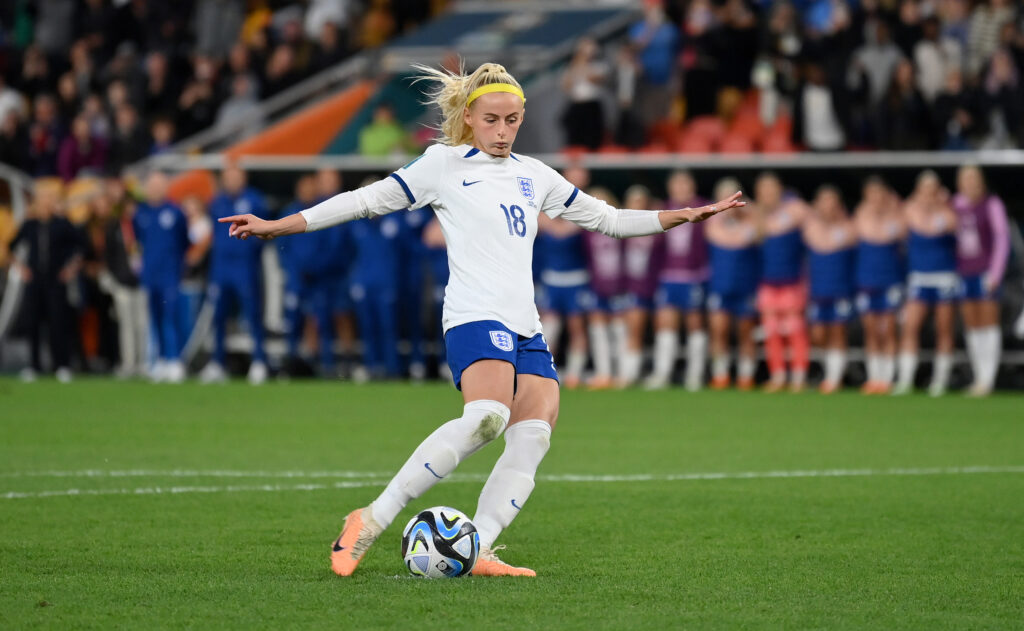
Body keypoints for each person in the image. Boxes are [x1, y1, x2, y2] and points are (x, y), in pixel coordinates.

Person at [218, 62, 743, 577]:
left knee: (534, 435)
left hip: (525, 325)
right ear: (469, 116)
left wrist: (682, 216)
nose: (503, 130)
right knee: (487, 418)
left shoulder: (533, 175)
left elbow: (607, 219)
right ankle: (371, 519)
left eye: (512, 120)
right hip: (473, 314)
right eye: (491, 119)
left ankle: (480, 549)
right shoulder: (442, 165)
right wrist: (279, 226)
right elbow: (365, 201)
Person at [200, 165, 269, 385]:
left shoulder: (255, 200)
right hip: (221, 268)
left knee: (252, 315)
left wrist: (250, 256)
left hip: (244, 267)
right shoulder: (217, 202)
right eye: (227, 178)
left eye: (235, 177)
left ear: (243, 178)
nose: (231, 182)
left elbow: (264, 233)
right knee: (219, 317)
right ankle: (218, 363)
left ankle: (259, 361)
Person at [9, 184, 83, 383]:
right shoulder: (30, 224)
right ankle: (34, 365)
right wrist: (21, 269)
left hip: (56, 279)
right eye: (43, 198)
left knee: (58, 322)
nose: (46, 203)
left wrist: (71, 270)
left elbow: (80, 247)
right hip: (35, 280)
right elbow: (11, 247)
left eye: (50, 198)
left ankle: (62, 365)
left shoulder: (62, 224)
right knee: (33, 323)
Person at [894, 171, 958, 396]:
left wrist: (942, 205)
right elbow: (900, 233)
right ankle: (905, 379)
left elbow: (954, 228)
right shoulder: (909, 211)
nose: (929, 194)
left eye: (933, 189)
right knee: (910, 326)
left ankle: (940, 381)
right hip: (919, 276)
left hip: (944, 277)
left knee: (944, 328)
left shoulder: (948, 212)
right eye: (924, 189)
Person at [647, 170, 709, 391]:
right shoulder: (664, 209)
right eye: (677, 184)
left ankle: (695, 375)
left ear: (692, 187)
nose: (681, 188)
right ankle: (663, 373)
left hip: (694, 276)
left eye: (685, 184)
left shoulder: (703, 208)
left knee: (694, 323)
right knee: (665, 323)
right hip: (668, 276)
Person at [953, 165, 1010, 396]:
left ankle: (988, 378)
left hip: (985, 271)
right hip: (964, 272)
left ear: (982, 182)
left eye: (974, 179)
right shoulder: (954, 205)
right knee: (972, 324)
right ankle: (978, 376)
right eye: (965, 179)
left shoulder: (992, 204)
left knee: (988, 323)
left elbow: (1002, 239)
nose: (970, 183)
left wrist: (995, 273)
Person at [755, 173, 810, 393]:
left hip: (792, 280)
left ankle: (798, 376)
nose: (767, 194)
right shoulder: (758, 216)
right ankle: (778, 375)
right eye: (763, 190)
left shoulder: (795, 211)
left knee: (795, 330)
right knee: (771, 331)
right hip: (768, 281)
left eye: (771, 188)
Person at [133, 171, 190, 383]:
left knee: (171, 316)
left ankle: (175, 360)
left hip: (170, 274)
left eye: (159, 185)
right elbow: (139, 241)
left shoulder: (175, 212)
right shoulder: (140, 213)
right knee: (155, 318)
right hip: (150, 275)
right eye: (151, 185)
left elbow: (184, 241)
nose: (155, 189)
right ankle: (159, 360)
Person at [706, 177, 760, 390]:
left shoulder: (751, 221)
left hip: (745, 284)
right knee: (719, 330)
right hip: (721, 284)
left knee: (746, 331)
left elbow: (758, 230)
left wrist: (746, 209)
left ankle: (746, 376)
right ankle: (721, 374)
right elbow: (723, 238)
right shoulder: (712, 221)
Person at [346, 177, 402, 381]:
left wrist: (396, 282)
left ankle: (392, 370)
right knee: (367, 328)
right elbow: (348, 256)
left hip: (386, 283)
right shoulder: (355, 225)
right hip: (364, 283)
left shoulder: (394, 221)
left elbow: (403, 255)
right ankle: (372, 367)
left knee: (388, 327)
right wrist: (354, 281)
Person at [803, 186, 857, 394]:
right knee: (818, 334)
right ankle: (829, 371)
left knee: (837, 332)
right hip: (818, 288)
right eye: (824, 201)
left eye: (832, 201)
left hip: (840, 287)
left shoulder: (848, 227)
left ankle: (834, 378)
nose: (828, 206)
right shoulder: (811, 227)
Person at [854, 176, 906, 394]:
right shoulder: (861, 216)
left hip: (889, 280)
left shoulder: (896, 217)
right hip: (867, 280)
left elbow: (892, 235)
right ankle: (874, 377)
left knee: (888, 330)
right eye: (871, 194)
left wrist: (892, 210)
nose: (875, 199)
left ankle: (887, 377)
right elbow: (866, 234)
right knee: (871, 330)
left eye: (879, 194)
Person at [536, 201, 593, 389]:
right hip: (552, 280)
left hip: (575, 281)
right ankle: (544, 371)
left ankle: (574, 373)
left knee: (576, 327)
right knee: (549, 328)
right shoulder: (542, 219)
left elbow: (564, 232)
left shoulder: (578, 221)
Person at [582, 187, 627, 389]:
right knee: (598, 330)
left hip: (619, 285)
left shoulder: (621, 226)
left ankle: (622, 373)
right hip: (596, 284)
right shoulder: (585, 228)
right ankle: (603, 373)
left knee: (619, 330)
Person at [618, 185, 661, 387]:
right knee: (631, 329)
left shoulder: (658, 229)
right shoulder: (618, 227)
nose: (637, 205)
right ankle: (628, 374)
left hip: (655, 286)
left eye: (641, 201)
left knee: (661, 329)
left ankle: (659, 374)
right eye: (633, 201)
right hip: (630, 287)